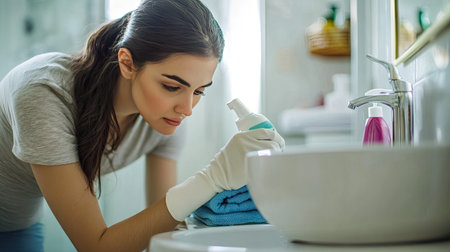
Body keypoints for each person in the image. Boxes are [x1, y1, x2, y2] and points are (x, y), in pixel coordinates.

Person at [0, 0, 285, 251]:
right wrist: (212, 179)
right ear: (126, 63)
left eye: (199, 91)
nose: (187, 108)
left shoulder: (166, 115)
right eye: (172, 86)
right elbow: (95, 246)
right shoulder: (43, 92)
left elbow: (163, 227)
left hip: (18, 224)